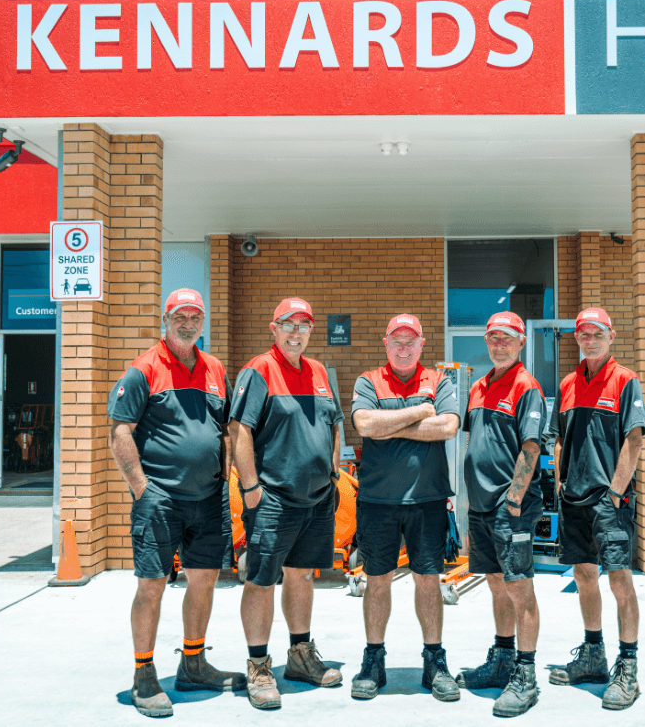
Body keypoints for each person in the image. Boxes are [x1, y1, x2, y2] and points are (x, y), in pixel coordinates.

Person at [108, 288, 246, 719]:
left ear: (202, 321)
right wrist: (142, 488)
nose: (188, 323)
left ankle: (193, 663)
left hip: (208, 498)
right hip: (160, 499)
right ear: (165, 320)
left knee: (204, 580)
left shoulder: (215, 368)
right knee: (151, 584)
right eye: (179, 316)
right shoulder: (143, 370)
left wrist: (225, 479)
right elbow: (120, 433)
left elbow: (225, 429)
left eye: (195, 316)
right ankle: (143, 674)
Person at [228, 297, 344, 710]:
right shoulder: (259, 370)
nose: (296, 332)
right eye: (288, 324)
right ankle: (258, 666)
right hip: (273, 497)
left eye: (303, 325)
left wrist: (332, 473)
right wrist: (252, 488)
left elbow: (333, 423)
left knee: (302, 577)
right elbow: (239, 430)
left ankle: (300, 656)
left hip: (315, 499)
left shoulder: (317, 372)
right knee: (261, 580)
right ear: (273, 329)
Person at [349, 314, 461, 701]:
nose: (403, 348)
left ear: (421, 344)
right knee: (377, 580)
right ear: (386, 343)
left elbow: (447, 427)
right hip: (377, 502)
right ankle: (373, 661)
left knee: (428, 580)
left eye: (410, 341)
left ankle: (435, 662)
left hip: (428, 500)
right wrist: (418, 412)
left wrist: (388, 425)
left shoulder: (439, 381)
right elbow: (364, 424)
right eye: (396, 341)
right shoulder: (369, 381)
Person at [545, 307, 645, 711]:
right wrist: (559, 483)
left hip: (609, 501)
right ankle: (593, 655)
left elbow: (634, 440)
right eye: (583, 334)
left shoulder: (625, 381)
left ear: (611, 336)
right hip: (574, 500)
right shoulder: (569, 383)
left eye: (597, 333)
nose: (590, 339)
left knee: (619, 580)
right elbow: (557, 438)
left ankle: (628, 666)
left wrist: (615, 494)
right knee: (584, 574)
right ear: (577, 339)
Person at [454, 311, 546, 717]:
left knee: (519, 587)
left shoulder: (528, 387)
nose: (500, 344)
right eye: (493, 337)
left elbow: (530, 449)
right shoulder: (477, 387)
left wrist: (512, 502)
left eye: (508, 338)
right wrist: (472, 504)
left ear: (521, 342)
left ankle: (525, 673)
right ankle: (503, 658)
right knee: (495, 583)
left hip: (512, 508)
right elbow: (478, 445)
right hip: (481, 507)